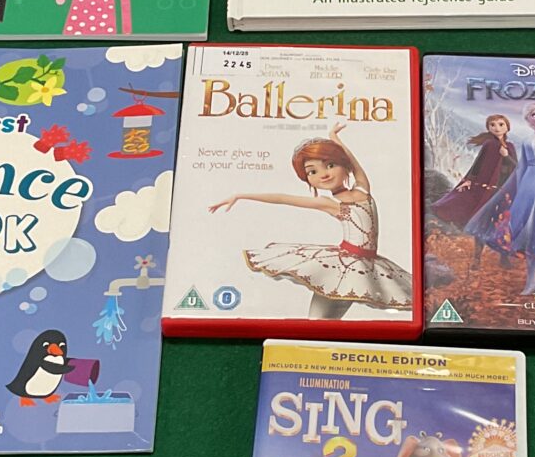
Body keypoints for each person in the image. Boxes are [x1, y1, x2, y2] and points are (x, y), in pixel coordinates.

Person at [211, 120, 412, 321]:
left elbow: (353, 160)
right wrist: (242, 195)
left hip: (366, 265)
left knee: (328, 320)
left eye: (330, 165)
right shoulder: (330, 203)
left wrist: (334, 137)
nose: (323, 174)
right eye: (312, 172)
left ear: (344, 166)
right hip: (343, 265)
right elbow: (283, 198)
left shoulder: (362, 188)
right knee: (318, 320)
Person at [465, 101, 535, 300]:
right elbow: (521, 168)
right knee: (529, 231)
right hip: (527, 185)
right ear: (528, 118)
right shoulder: (527, 141)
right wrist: (516, 189)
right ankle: (531, 282)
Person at [433, 113, 516, 266]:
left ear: (507, 127)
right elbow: (478, 165)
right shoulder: (489, 145)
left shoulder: (509, 147)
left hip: (504, 191)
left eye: (501, 124)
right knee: (482, 222)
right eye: (492, 125)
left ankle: (503, 258)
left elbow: (516, 167)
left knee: (503, 224)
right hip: (487, 190)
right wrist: (468, 180)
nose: (497, 128)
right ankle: (477, 259)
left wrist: (506, 156)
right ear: (488, 128)